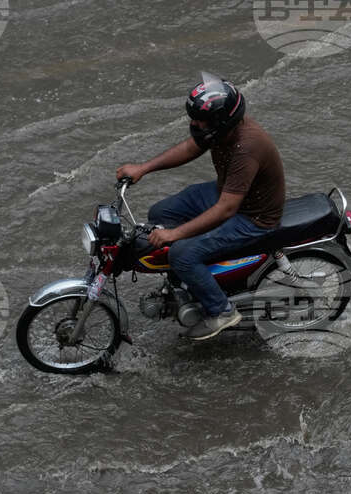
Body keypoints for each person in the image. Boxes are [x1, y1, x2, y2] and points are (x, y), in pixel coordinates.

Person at [116, 76, 286, 340]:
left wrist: (174, 235)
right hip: (228, 192)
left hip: (253, 216)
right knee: (161, 212)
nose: (194, 124)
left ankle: (222, 310)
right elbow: (190, 147)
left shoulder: (247, 147)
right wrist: (143, 168)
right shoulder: (222, 131)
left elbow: (226, 209)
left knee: (182, 254)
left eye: (199, 120)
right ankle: (189, 281)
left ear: (220, 121)